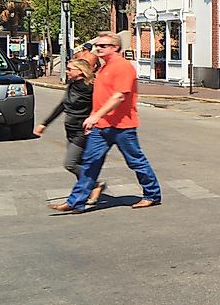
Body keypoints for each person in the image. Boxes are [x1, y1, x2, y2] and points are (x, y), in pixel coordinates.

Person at [50, 31, 162, 213]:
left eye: (103, 46)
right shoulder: (103, 68)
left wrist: (95, 116)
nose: (98, 48)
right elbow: (100, 98)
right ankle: (75, 201)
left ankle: (152, 194)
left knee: (135, 161)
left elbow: (118, 96)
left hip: (122, 126)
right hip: (101, 126)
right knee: (89, 162)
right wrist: (93, 119)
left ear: (115, 47)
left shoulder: (123, 67)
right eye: (97, 45)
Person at [35, 58, 107, 206]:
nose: (67, 71)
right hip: (71, 130)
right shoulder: (72, 85)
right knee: (79, 163)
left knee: (70, 163)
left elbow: (100, 107)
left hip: (82, 131)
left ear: (80, 71)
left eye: (69, 69)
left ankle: (95, 185)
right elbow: (62, 106)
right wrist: (44, 124)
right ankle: (85, 193)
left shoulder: (90, 88)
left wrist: (94, 123)